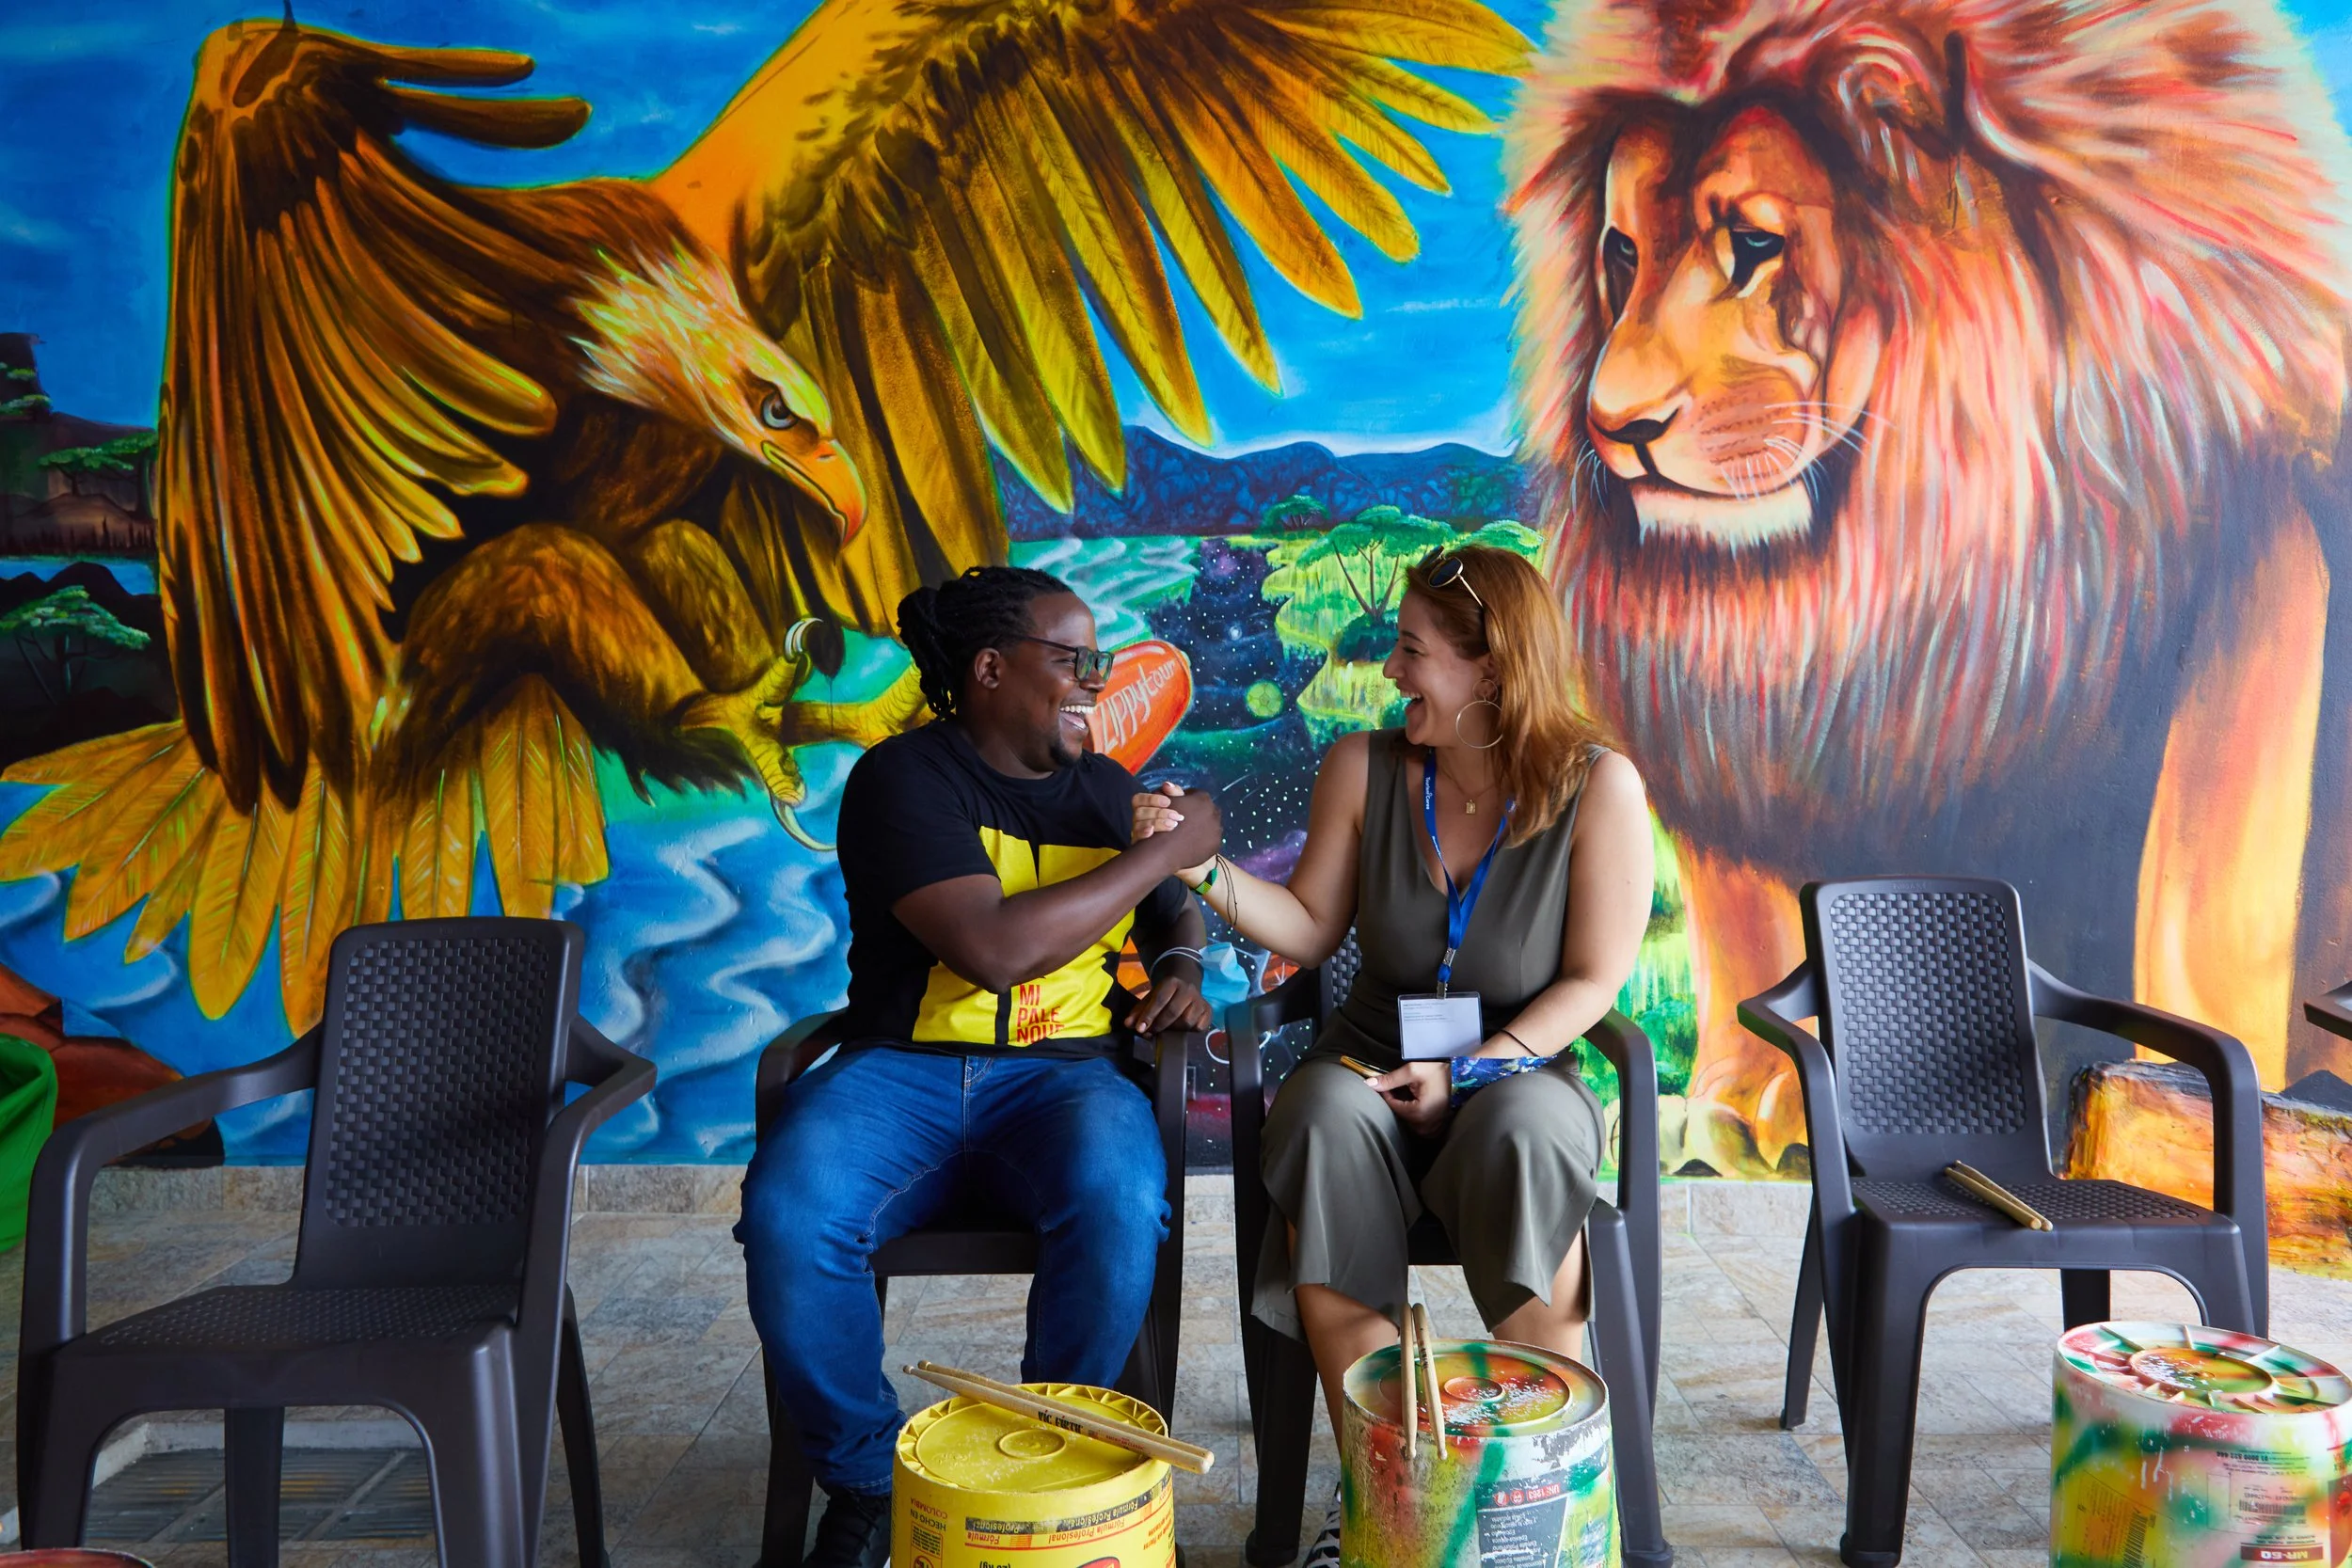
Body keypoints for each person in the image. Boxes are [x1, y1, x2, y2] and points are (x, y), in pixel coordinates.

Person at [1135, 545, 1654, 1568]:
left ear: (1492, 669)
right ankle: (1392, 1498)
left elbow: (1591, 981)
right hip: (1367, 1061)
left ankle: (1533, 1490)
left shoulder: (1600, 787)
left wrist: (1471, 1069)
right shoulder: (1363, 767)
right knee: (1322, 1116)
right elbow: (1311, 922)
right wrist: (1201, 866)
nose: (1391, 670)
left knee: (1532, 1130)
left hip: (1514, 1068)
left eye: (1412, 649)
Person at [739, 564, 1221, 1568]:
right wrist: (1165, 857)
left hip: (1065, 1077)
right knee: (792, 1209)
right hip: (901, 1070)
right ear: (991, 668)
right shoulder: (903, 780)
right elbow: (993, 948)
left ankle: (1050, 1450)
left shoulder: (1101, 786)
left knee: (1117, 1196)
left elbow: (1168, 907)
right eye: (1073, 658)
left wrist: (1178, 952)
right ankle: (867, 1480)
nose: (1096, 677)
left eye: (1097, 658)